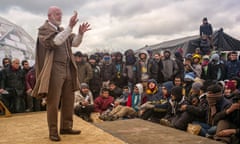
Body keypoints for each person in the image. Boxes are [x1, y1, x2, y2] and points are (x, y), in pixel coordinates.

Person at [32, 6, 91, 141]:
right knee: (53, 101)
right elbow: (55, 42)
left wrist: (80, 33)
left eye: (61, 14)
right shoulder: (44, 29)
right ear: (49, 15)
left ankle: (66, 127)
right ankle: (53, 131)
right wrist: (70, 27)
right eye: (57, 14)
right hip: (54, 69)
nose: (60, 16)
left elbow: (75, 43)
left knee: (69, 99)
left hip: (67, 68)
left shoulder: (62, 30)